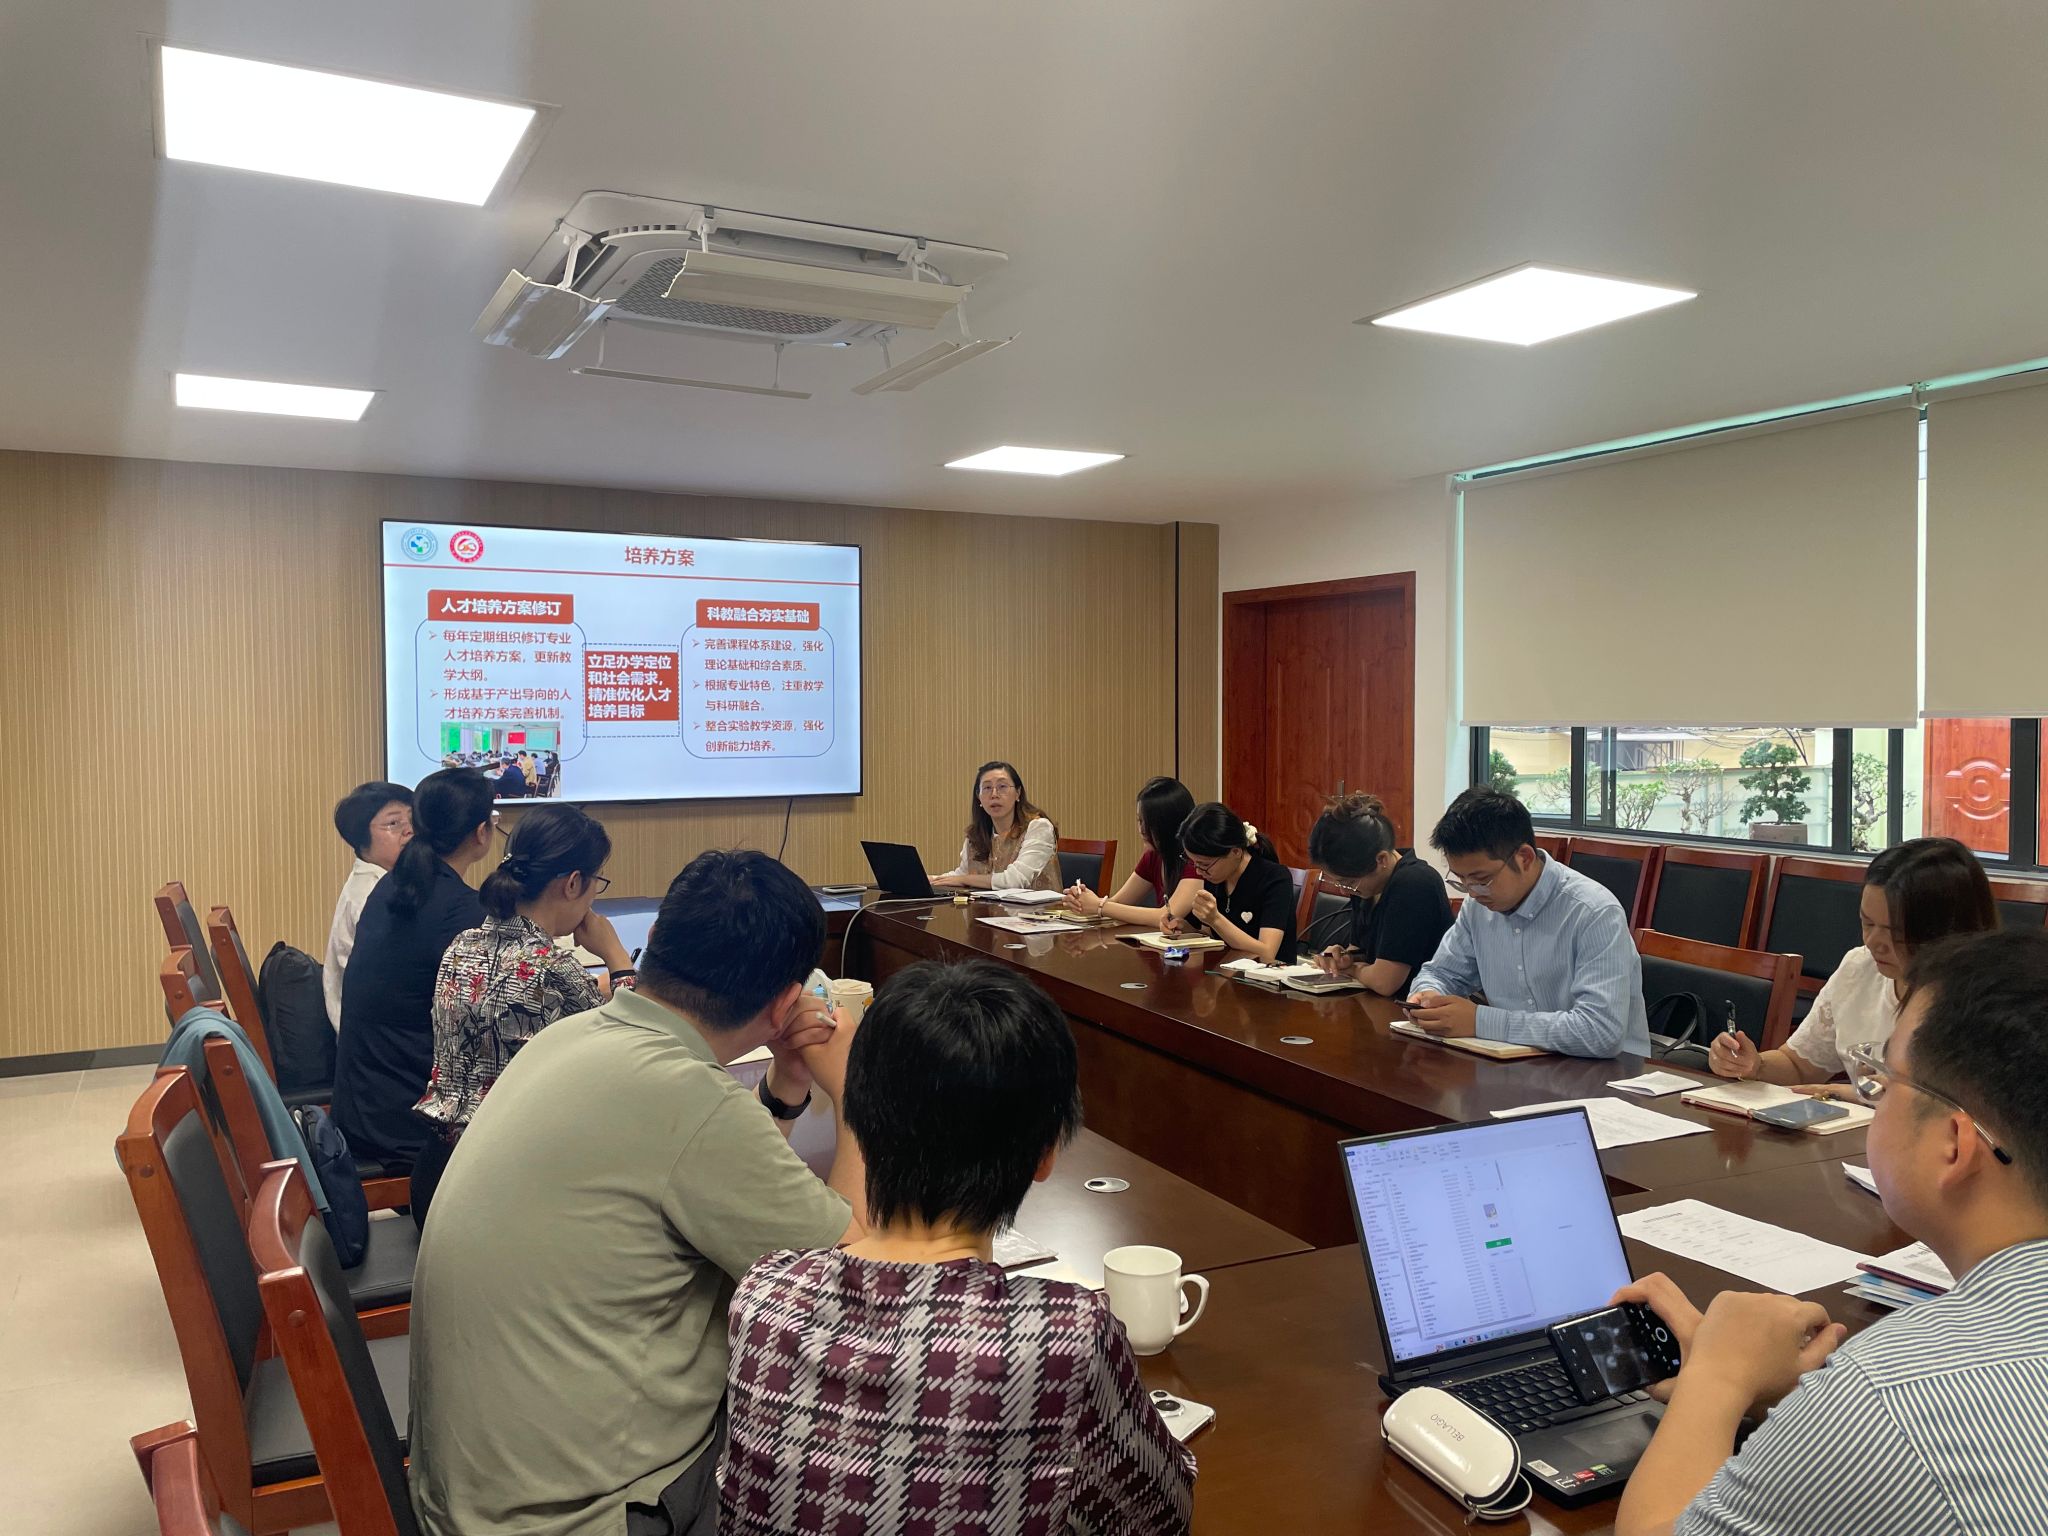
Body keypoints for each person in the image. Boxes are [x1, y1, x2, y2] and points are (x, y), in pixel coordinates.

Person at [408, 850, 867, 1536]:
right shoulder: (690, 1098)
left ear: (654, 942)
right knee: (849, 1432)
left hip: (469, 1495)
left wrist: (789, 1081)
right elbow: (861, 1284)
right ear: (783, 1005)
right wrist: (853, 1091)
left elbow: (707, 1176)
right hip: (580, 1516)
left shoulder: (570, 1037)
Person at [719, 958, 1196, 1535]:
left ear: (862, 1125)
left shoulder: (764, 1298)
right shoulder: (1064, 1337)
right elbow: (1163, 1513)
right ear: (1046, 1153)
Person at [1613, 928, 2048, 1536]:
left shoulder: (1888, 1398)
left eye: (1884, 1080)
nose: (1873, 1095)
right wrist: (1801, 1411)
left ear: (1953, 1144)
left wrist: (1719, 1376)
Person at [408, 803, 635, 1229]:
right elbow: (636, 1049)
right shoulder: (552, 965)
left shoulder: (462, 945)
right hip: (501, 1196)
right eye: (596, 884)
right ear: (573, 883)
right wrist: (617, 956)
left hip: (435, 1180)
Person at [1710, 836, 1996, 1094]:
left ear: (1946, 930)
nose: (1873, 942)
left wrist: (1847, 1095)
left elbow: (1953, 1112)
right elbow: (1798, 1065)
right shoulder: (1860, 968)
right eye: (1867, 923)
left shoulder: (1984, 1002)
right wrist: (1753, 1065)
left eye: (1895, 931)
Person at [1407, 787, 1650, 1057]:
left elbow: (1600, 1031)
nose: (1472, 892)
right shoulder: (1478, 908)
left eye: (1481, 879)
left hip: (1605, 1073)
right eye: (1461, 880)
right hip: (1513, 1064)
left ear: (1524, 858)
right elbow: (1441, 973)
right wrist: (1428, 996)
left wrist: (1481, 1021)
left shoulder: (1593, 912)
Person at [334, 769, 493, 1166]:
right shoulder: (461, 911)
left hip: (366, 1102)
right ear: (481, 832)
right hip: (409, 1123)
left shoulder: (391, 886)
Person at [1305, 791, 1454, 996]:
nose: (1343, 890)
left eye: (1348, 882)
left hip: (1419, 1005)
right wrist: (1344, 956)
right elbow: (1362, 951)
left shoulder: (1415, 883)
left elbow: (1385, 982)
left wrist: (1352, 969)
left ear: (1381, 859)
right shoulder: (1369, 886)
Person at [322, 781, 414, 1029]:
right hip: (372, 1034)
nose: (409, 831)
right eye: (393, 823)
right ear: (362, 839)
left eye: (412, 819)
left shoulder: (384, 880)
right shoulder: (373, 894)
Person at [1061, 774, 1203, 928]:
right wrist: (1083, 902)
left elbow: (1166, 916)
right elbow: (1118, 903)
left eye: (1148, 823)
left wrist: (1099, 906)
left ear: (1168, 825)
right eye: (1139, 820)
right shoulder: (1153, 856)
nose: (1141, 829)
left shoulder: (1195, 861)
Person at [1171, 801, 1297, 962]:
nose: (1198, 871)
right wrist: (1185, 928)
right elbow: (1214, 937)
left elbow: (1266, 953)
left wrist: (1215, 919)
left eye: (1204, 864)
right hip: (1223, 970)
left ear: (1236, 852)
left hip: (1268, 975)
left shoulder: (1275, 878)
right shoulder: (1215, 877)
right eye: (1193, 863)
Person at [931, 760, 1062, 892]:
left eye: (1002, 786)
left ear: (1018, 793)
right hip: (991, 905)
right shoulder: (977, 835)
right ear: (978, 797)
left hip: (1040, 905)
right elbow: (962, 873)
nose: (994, 794)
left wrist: (964, 880)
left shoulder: (1039, 827)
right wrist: (930, 879)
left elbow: (1015, 880)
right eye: (987, 788)